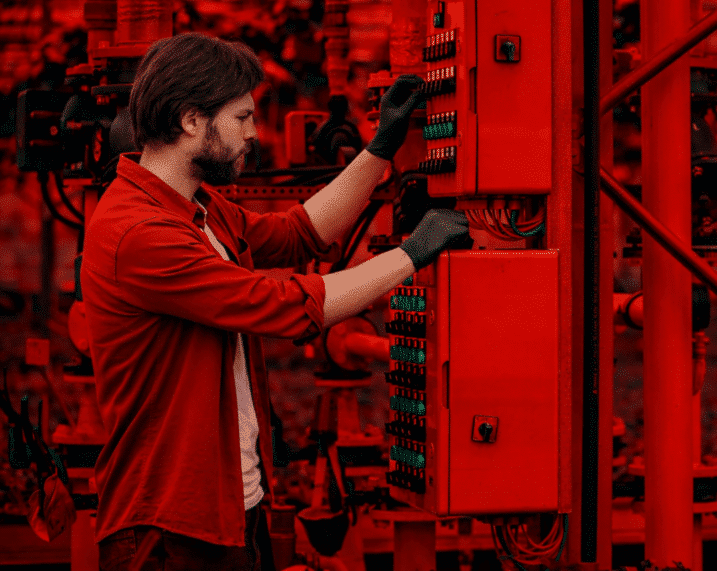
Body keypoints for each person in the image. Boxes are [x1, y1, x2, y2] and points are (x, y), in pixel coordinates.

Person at [80, 33, 470, 571]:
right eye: (241, 118)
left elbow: (297, 233)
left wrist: (379, 151)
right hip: (168, 527)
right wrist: (412, 255)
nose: (252, 134)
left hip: (233, 504)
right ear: (191, 120)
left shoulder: (194, 206)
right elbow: (284, 305)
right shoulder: (139, 233)